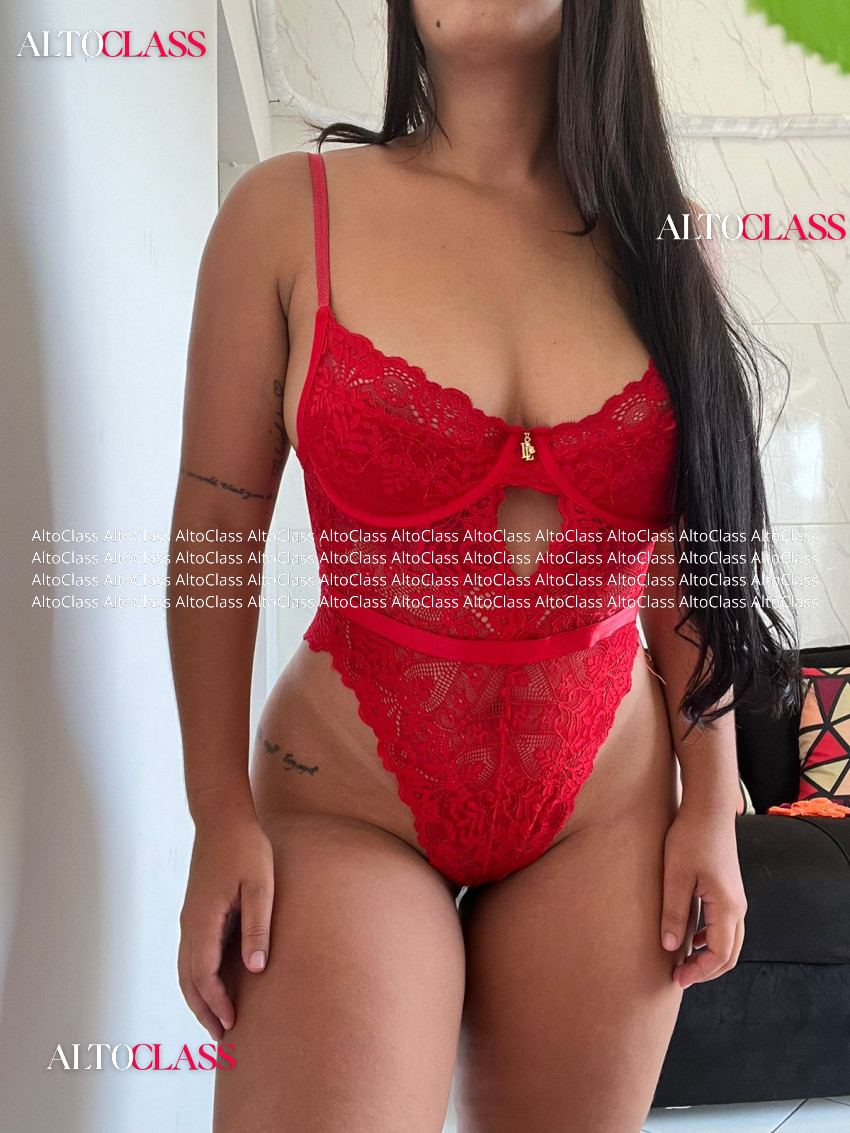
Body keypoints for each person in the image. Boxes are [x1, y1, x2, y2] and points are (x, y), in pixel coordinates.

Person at [167, 2, 799, 1130]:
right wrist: (215, 810)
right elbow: (217, 528)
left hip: (602, 816)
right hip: (348, 802)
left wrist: (711, 802)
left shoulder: (666, 244)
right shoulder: (284, 216)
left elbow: (689, 551)